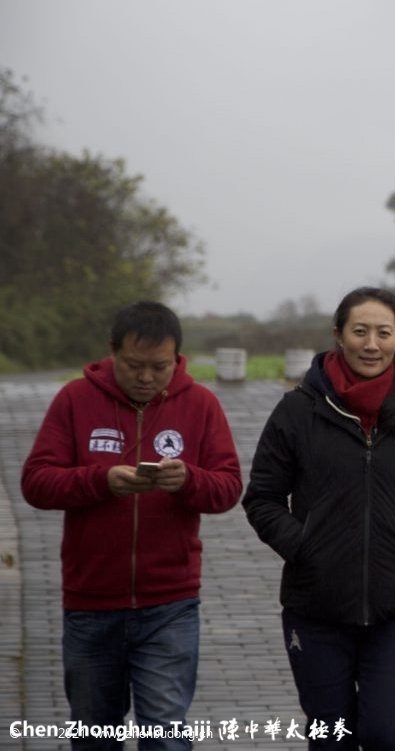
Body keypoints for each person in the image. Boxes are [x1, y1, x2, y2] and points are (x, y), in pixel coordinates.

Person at [242, 286, 395, 751]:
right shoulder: (298, 410)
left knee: (387, 734)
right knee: (331, 736)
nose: (371, 344)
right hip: (316, 608)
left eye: (384, 333)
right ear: (338, 334)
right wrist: (304, 547)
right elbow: (262, 498)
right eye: (360, 331)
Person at [21, 301, 244, 750]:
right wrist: (100, 481)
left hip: (171, 604)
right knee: (94, 733)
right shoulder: (75, 399)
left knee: (164, 732)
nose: (146, 377)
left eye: (159, 367)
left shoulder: (200, 404)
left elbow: (228, 487)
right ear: (112, 351)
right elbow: (36, 482)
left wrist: (189, 481)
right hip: (90, 603)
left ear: (177, 357)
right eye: (133, 365)